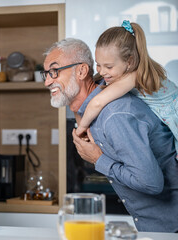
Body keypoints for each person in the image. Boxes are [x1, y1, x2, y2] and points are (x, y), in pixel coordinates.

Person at [41, 38, 178, 232]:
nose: (47, 81)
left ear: (81, 71)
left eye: (54, 71)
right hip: (158, 227)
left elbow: (151, 184)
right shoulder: (97, 101)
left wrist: (98, 159)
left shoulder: (115, 115)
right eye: (45, 74)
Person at [75, 20, 178, 159]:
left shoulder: (133, 76)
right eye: (98, 65)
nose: (103, 71)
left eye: (109, 67)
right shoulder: (123, 70)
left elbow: (98, 102)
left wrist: (80, 129)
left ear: (129, 62)